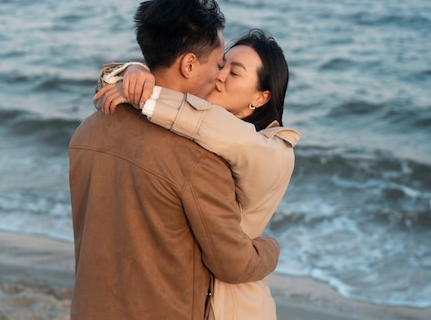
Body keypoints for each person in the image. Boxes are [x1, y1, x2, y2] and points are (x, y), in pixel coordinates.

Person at [69, 0, 281, 320]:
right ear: (189, 65)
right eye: (217, 63)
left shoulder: (87, 131)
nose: (219, 77)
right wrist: (271, 249)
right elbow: (235, 263)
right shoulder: (198, 160)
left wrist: (128, 71)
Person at [96, 29, 300, 320]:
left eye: (235, 72)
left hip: (233, 307)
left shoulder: (272, 150)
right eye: (222, 64)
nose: (219, 75)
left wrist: (145, 94)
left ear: (261, 97)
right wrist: (133, 72)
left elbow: (216, 128)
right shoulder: (198, 125)